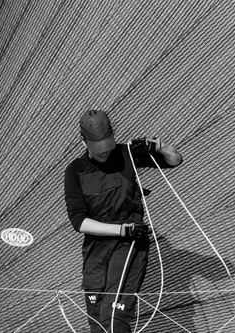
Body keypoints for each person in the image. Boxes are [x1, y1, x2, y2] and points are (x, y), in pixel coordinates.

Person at [64, 110, 182, 332]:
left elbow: (174, 160)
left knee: (114, 316)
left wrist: (158, 147)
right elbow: (78, 221)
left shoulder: (126, 153)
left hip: (130, 244)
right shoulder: (75, 171)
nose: (105, 153)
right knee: (97, 321)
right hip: (96, 250)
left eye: (107, 146)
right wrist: (120, 230)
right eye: (98, 149)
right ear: (83, 141)